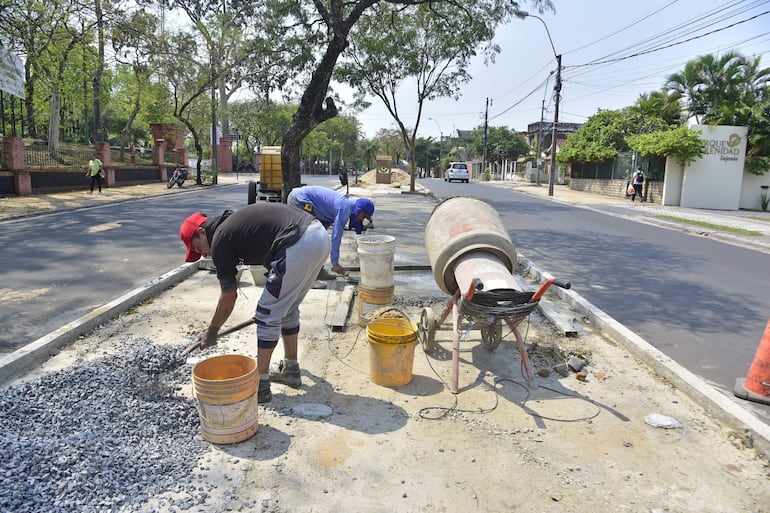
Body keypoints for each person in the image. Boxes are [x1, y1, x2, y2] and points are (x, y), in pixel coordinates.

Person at [179, 203, 330, 403]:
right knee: (288, 309)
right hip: (318, 235)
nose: (203, 255)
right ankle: (291, 370)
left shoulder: (220, 240)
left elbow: (229, 295)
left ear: (201, 232)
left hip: (298, 242)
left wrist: (213, 329)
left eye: (198, 248)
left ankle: (261, 386)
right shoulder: (231, 225)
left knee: (267, 315)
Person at [286, 185, 374, 277]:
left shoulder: (346, 206)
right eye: (364, 216)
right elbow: (336, 237)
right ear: (360, 210)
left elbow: (322, 230)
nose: (362, 219)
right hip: (299, 200)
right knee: (307, 239)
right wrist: (335, 263)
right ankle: (307, 278)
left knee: (317, 239)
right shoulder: (344, 208)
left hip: (307, 203)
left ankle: (318, 272)